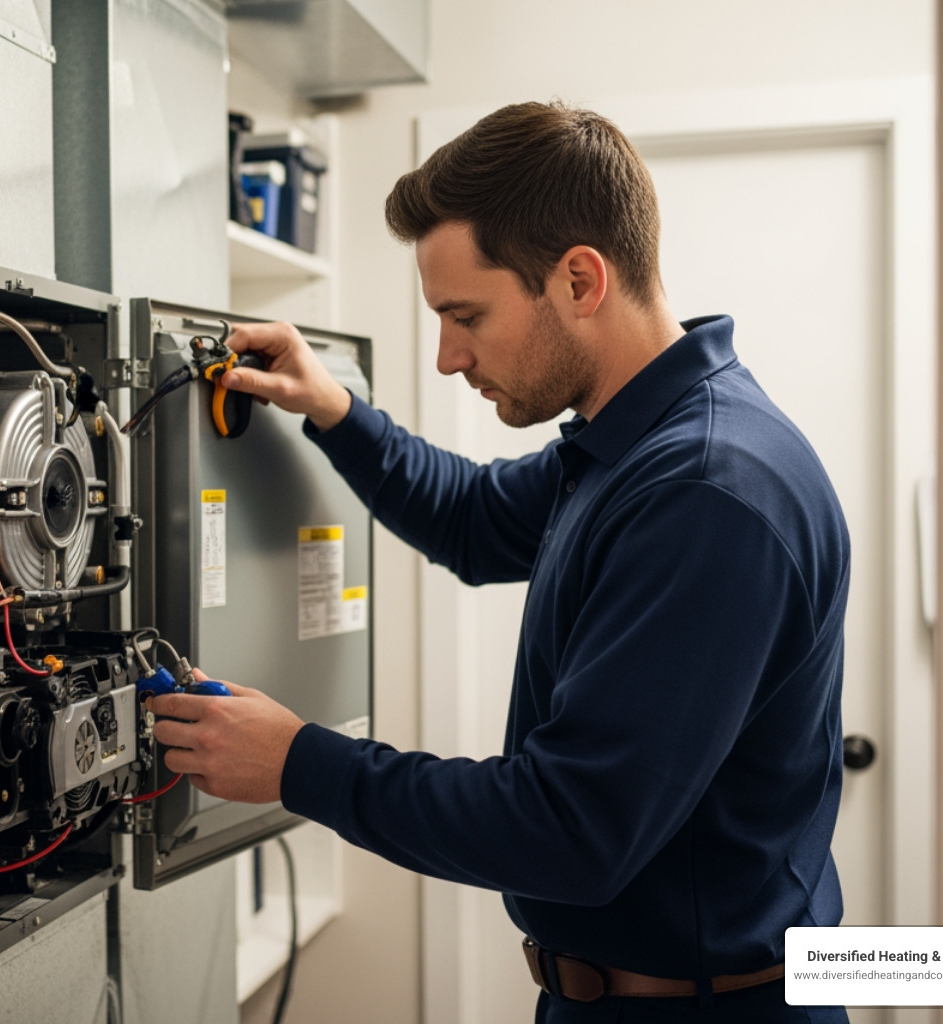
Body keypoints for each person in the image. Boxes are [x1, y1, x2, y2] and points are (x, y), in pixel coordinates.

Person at [149, 101, 850, 1023]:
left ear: (580, 280)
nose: (446, 357)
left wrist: (298, 764)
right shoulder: (632, 447)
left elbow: (572, 830)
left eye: (465, 315)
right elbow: (475, 520)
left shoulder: (706, 491)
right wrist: (335, 409)